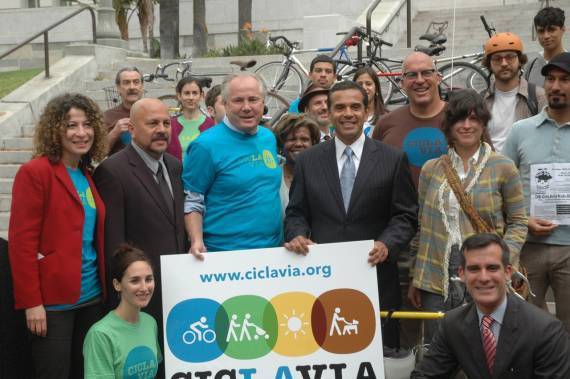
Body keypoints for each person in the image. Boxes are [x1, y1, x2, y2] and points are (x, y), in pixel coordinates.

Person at [284, 81, 418, 348]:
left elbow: (406, 216)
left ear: (367, 111)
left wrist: (387, 243)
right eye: (340, 107)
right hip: (322, 279)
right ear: (330, 112)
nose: (348, 114)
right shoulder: (308, 160)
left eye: (355, 107)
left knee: (379, 355)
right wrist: (298, 235)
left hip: (376, 278)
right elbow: (296, 213)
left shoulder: (393, 159)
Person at [409, 88, 527, 342]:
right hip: (435, 274)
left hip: (483, 272)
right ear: (448, 126)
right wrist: (415, 277)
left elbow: (518, 222)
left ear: (483, 123)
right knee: (438, 346)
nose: (466, 125)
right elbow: (422, 227)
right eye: (460, 119)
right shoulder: (432, 169)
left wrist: (501, 259)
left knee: (485, 347)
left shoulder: (502, 166)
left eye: (474, 118)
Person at [8, 93, 108, 378]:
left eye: (87, 125)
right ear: (55, 129)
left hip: (91, 298)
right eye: (71, 126)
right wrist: (32, 303)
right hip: (52, 304)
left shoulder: (86, 173)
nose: (81, 133)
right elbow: (21, 244)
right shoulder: (35, 172)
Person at [93, 98, 186, 377]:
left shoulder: (174, 166)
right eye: (152, 123)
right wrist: (124, 297)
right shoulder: (113, 171)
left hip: (176, 292)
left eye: (166, 123)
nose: (161, 129)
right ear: (131, 129)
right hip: (140, 297)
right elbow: (114, 244)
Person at [411, 233, 570, 379]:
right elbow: (424, 375)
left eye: (492, 268)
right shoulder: (452, 324)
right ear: (462, 274)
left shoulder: (546, 330)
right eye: (474, 269)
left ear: (508, 272)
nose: (484, 277)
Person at [504, 52, 570, 333]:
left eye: (565, 80)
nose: (556, 86)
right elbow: (501, 185)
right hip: (528, 246)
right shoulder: (520, 131)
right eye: (551, 79)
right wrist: (523, 221)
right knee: (522, 326)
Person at [184, 73, 283, 257]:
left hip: (274, 254)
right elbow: (193, 200)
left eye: (253, 99)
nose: (247, 107)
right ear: (226, 104)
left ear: (263, 103)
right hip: (227, 258)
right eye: (238, 100)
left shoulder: (267, 137)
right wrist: (196, 241)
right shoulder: (205, 146)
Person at [83, 244, 161, 379]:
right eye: (135, 281)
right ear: (117, 284)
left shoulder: (150, 322)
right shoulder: (100, 335)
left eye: (148, 279)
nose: (144, 287)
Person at [372, 52, 448, 187]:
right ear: (402, 83)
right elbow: (373, 175)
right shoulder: (385, 124)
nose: (419, 80)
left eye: (426, 73)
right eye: (411, 75)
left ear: (438, 77)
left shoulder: (463, 119)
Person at [481, 32, 546, 152]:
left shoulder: (539, 96)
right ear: (489, 64)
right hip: (491, 167)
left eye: (510, 57)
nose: (504, 63)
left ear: (520, 60)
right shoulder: (481, 100)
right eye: (497, 59)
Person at [273, 113, 320, 212]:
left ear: (313, 143)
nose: (298, 144)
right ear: (281, 144)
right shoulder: (273, 176)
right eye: (292, 139)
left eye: (305, 139)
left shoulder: (324, 175)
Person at [166, 76, 215, 161]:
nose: (191, 98)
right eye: (187, 93)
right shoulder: (170, 125)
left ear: (201, 95)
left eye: (195, 93)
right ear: (179, 96)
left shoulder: (210, 125)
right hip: (177, 173)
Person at [104, 67, 144, 156]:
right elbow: (99, 154)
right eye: (126, 83)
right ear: (118, 88)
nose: (132, 87)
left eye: (136, 82)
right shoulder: (108, 116)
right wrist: (115, 132)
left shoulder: (153, 112)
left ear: (142, 86)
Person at [525, 7, 567, 87]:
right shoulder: (531, 66)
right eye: (541, 31)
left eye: (551, 29)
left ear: (563, 29)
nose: (546, 36)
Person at [353, 66, 388, 137]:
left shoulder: (387, 118)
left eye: (368, 84)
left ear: (377, 89)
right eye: (359, 84)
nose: (364, 88)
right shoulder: (347, 116)